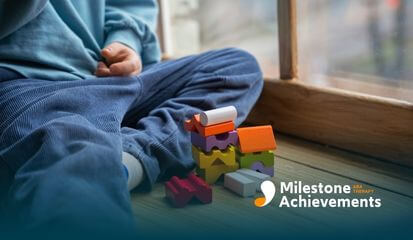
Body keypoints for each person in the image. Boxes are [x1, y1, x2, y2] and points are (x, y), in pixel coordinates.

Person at [0, 0, 263, 238]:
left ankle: (125, 160)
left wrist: (125, 40)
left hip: (106, 77)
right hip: (27, 86)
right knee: (74, 145)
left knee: (236, 66)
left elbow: (128, 4)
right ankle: (97, 163)